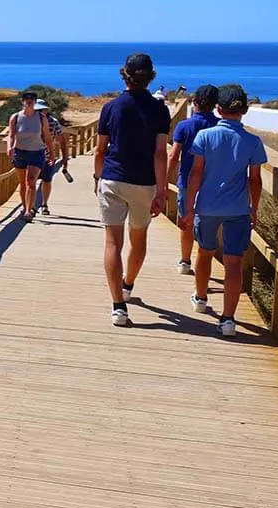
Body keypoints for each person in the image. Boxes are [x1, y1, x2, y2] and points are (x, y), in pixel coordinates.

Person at [94, 53, 171, 327]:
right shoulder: (160, 110)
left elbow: (101, 150)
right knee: (138, 240)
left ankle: (118, 306)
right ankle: (127, 285)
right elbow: (160, 154)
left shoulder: (111, 108)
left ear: (124, 74)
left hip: (112, 178)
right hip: (144, 183)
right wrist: (161, 192)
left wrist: (97, 178)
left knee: (112, 242)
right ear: (151, 76)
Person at [183, 84, 266, 337]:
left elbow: (195, 173)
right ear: (244, 111)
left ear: (218, 109)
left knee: (205, 252)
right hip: (238, 209)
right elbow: (255, 180)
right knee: (233, 263)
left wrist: (188, 206)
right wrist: (254, 208)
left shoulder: (205, 137)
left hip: (207, 206)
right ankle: (228, 320)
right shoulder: (253, 142)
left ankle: (200, 298)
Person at [166, 84, 219, 275]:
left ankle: (185, 261)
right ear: (215, 105)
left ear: (194, 102)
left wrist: (165, 182)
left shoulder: (184, 126)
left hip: (187, 180)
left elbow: (173, 156)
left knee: (186, 221)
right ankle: (205, 263)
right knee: (209, 224)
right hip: (213, 183)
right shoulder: (219, 126)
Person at [7, 91, 55, 222]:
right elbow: (11, 135)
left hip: (37, 152)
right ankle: (25, 207)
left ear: (35, 101)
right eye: (26, 98)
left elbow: (47, 137)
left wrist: (52, 154)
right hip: (20, 152)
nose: (29, 100)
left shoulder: (41, 118)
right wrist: (9, 147)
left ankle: (29, 211)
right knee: (22, 183)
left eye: (32, 98)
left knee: (31, 181)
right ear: (22, 101)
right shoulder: (15, 117)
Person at [32, 99, 69, 216]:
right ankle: (31, 206)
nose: (39, 112)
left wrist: (64, 158)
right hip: (32, 155)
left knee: (46, 180)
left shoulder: (53, 122)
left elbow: (62, 140)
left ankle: (44, 204)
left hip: (48, 156)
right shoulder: (29, 121)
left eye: (41, 110)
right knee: (31, 182)